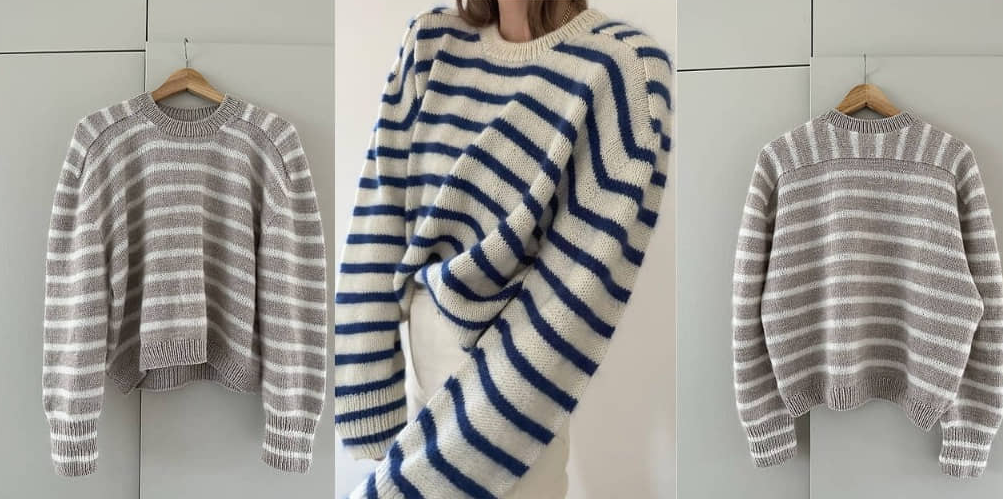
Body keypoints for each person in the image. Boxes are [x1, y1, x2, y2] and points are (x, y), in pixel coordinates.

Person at [334, 1, 672, 497]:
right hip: (420, 367)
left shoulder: (623, 67)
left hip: (517, 386)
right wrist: (368, 400)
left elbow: (575, 294)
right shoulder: (431, 42)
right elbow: (378, 217)